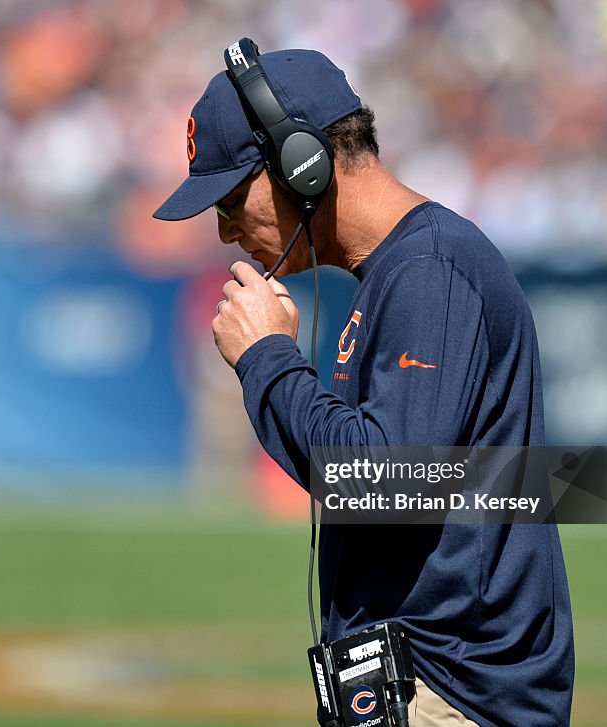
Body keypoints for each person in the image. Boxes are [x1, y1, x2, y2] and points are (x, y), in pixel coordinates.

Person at [153, 46, 574, 727]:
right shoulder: (397, 273)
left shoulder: (429, 270)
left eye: (233, 200)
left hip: (450, 695)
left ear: (302, 164)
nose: (226, 231)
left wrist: (267, 358)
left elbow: (385, 482)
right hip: (419, 691)